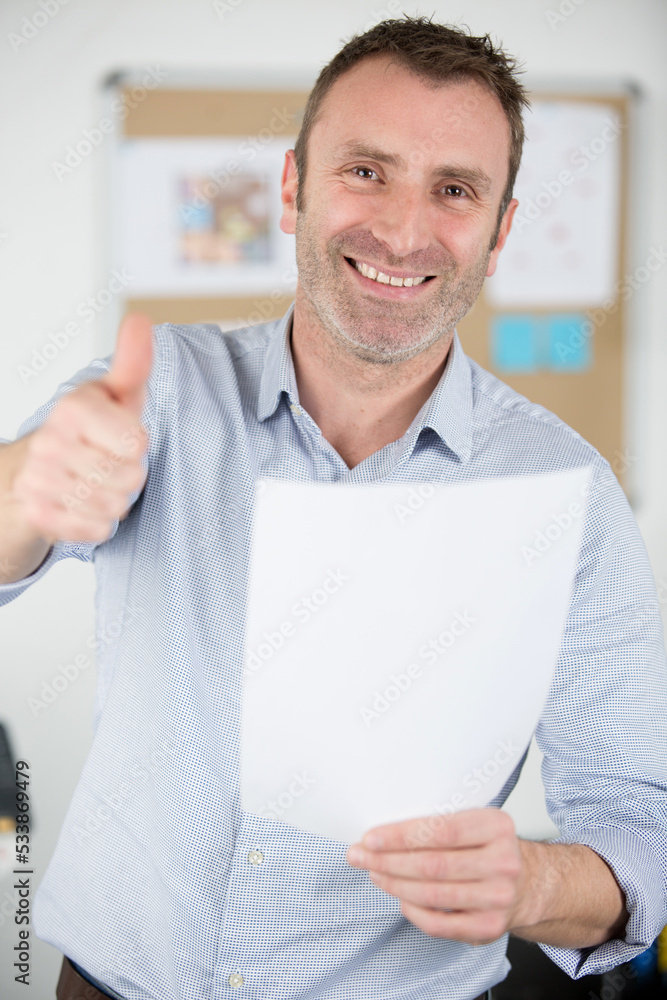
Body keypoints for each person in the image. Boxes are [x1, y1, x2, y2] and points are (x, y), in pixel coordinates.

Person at [1, 15, 666, 1000]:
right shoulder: (161, 393)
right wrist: (21, 490)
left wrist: (531, 880)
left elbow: (636, 825)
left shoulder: (566, 492)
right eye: (366, 170)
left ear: (501, 227)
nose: (403, 231)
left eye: (453, 189)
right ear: (292, 186)